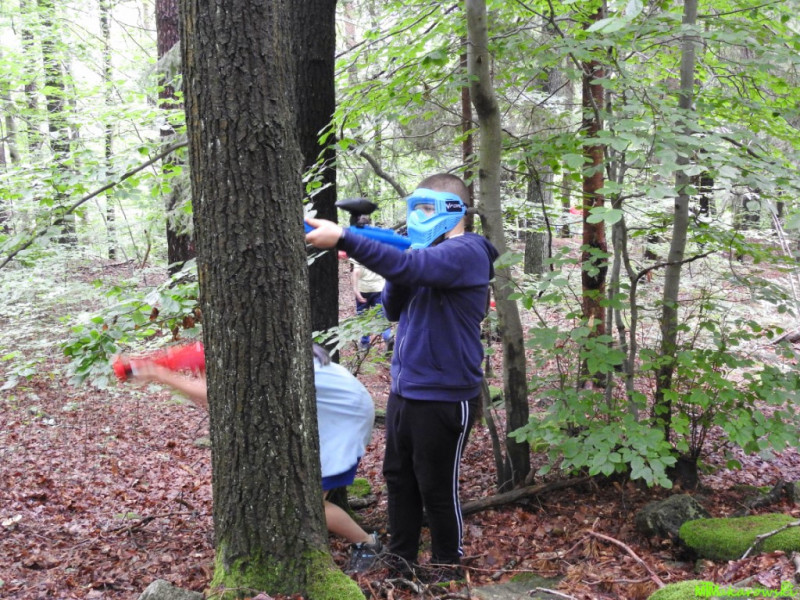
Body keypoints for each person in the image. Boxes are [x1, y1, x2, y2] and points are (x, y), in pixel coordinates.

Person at [305, 173, 498, 582]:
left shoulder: (469, 251)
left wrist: (347, 238)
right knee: (399, 480)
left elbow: (415, 266)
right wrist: (394, 255)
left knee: (436, 487)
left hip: (446, 394)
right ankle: (401, 562)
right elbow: (393, 308)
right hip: (405, 389)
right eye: (415, 208)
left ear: (454, 211)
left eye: (427, 208)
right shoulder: (424, 257)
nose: (418, 217)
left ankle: (446, 568)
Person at [127, 343, 382, 573]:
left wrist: (160, 374)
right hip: (339, 410)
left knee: (308, 504)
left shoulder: (260, 360)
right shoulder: (262, 353)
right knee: (303, 498)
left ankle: (368, 544)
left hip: (343, 417)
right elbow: (217, 398)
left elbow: (215, 396)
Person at [351, 216, 393, 352]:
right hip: (379, 287)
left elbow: (356, 271)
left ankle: (364, 344)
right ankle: (387, 337)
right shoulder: (378, 244)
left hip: (363, 289)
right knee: (381, 315)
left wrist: (355, 290)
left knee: (363, 316)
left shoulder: (356, 245)